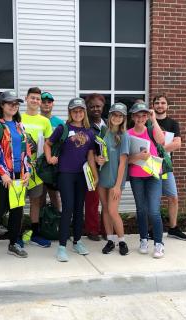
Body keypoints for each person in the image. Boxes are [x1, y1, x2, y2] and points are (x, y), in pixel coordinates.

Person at [44, 98, 99, 262]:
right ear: (70, 112)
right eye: (75, 111)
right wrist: (49, 158)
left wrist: (95, 176)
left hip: (81, 175)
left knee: (78, 208)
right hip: (65, 173)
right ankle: (61, 247)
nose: (78, 113)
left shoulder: (90, 132)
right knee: (67, 208)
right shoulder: (63, 128)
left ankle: (77, 241)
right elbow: (48, 144)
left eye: (81, 110)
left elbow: (90, 156)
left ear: (84, 112)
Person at [0, 90, 31, 263]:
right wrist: (2, 173)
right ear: (2, 105)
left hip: (18, 177)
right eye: (10, 103)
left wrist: (27, 171)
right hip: (0, 178)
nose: (14, 106)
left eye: (16, 103)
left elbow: (26, 150)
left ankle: (13, 244)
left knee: (17, 212)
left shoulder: (19, 125)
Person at [127, 102, 165, 258]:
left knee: (154, 211)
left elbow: (162, 140)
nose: (140, 118)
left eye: (144, 115)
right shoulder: (127, 134)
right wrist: (138, 157)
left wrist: (153, 119)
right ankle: (143, 239)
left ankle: (158, 244)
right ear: (133, 117)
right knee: (141, 210)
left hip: (154, 175)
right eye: (137, 115)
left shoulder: (150, 130)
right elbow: (125, 159)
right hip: (137, 176)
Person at [152, 94, 186, 241]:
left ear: (167, 106)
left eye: (163, 103)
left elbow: (177, 144)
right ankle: (152, 229)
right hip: (151, 167)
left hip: (166, 168)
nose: (160, 105)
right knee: (153, 199)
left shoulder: (173, 123)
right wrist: (164, 147)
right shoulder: (149, 122)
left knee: (173, 197)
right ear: (153, 106)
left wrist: (159, 148)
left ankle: (173, 228)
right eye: (157, 103)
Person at [21, 87, 53, 248]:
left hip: (36, 171)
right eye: (32, 98)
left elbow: (48, 145)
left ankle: (34, 233)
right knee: (18, 203)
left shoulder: (45, 122)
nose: (35, 101)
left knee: (35, 202)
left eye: (37, 99)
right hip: (19, 170)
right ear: (26, 99)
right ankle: (16, 235)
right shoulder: (18, 118)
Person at [96, 103, 129, 255]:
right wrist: (98, 160)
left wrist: (117, 186)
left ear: (123, 118)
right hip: (103, 178)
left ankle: (122, 241)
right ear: (110, 116)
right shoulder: (104, 132)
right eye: (114, 115)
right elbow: (100, 155)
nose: (117, 118)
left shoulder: (125, 136)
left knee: (112, 210)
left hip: (116, 180)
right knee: (105, 210)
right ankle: (110, 240)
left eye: (120, 115)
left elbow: (123, 163)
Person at [84, 94, 107, 241]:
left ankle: (107, 229)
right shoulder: (86, 127)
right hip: (91, 168)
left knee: (108, 202)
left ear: (103, 106)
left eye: (98, 106)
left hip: (108, 169)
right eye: (91, 106)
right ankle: (92, 230)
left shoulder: (109, 125)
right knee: (92, 201)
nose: (95, 109)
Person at [39, 91, 64, 211]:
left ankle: (56, 223)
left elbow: (63, 143)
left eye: (49, 102)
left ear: (53, 104)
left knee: (54, 195)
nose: (46, 104)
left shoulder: (59, 122)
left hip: (52, 163)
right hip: (37, 162)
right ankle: (40, 225)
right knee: (39, 196)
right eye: (43, 102)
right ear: (39, 103)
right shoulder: (34, 120)